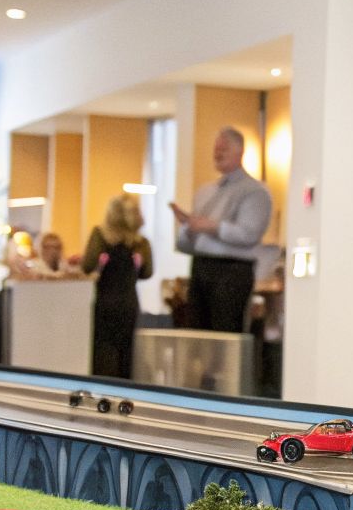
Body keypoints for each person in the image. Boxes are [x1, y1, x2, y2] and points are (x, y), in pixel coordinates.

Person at [172, 127, 272, 332]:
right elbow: (186, 243)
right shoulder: (205, 192)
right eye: (216, 149)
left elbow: (249, 234)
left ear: (240, 152)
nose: (218, 153)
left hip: (231, 273)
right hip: (201, 268)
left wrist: (212, 227)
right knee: (198, 335)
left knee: (226, 334)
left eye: (224, 148)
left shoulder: (255, 191)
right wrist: (188, 229)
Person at [83, 194, 154, 379]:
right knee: (127, 352)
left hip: (104, 301)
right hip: (129, 303)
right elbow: (147, 273)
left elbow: (88, 265)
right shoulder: (141, 243)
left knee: (102, 352)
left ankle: (102, 395)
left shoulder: (100, 236)